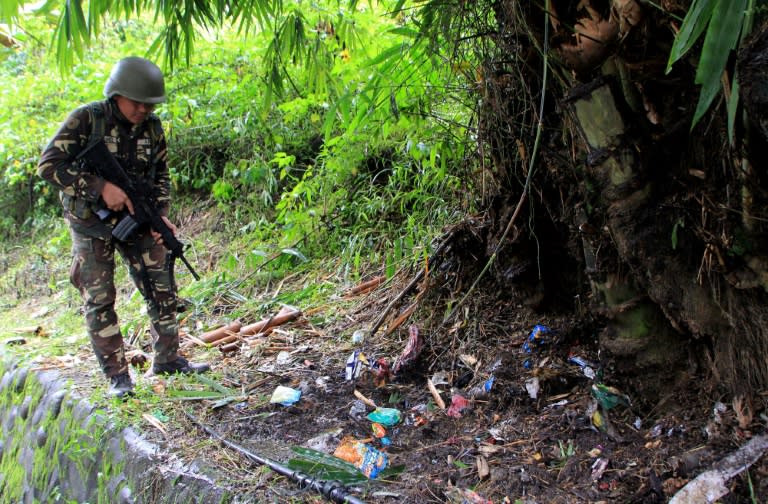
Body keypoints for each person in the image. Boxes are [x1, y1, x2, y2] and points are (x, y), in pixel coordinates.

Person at [38, 57, 210, 399]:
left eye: (150, 104)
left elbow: (160, 176)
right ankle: (118, 376)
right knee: (100, 298)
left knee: (162, 284)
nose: (143, 110)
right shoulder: (87, 119)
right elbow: (49, 165)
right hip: (91, 224)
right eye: (137, 103)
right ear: (117, 94)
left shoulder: (153, 128)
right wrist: (99, 188)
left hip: (136, 216)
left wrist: (160, 215)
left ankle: (168, 358)